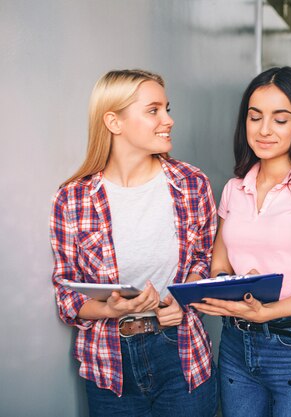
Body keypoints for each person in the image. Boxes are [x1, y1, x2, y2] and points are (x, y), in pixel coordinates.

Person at [50, 69, 218, 416]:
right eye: (153, 110)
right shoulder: (72, 199)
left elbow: (204, 260)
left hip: (182, 355)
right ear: (114, 122)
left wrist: (184, 298)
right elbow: (67, 295)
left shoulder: (192, 183)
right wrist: (110, 310)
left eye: (167, 108)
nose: (168, 120)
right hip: (109, 366)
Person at [191, 67, 291, 417]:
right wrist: (224, 288)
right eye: (255, 117)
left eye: (280, 119)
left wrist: (267, 311)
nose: (264, 130)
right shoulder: (235, 188)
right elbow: (220, 263)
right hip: (236, 342)